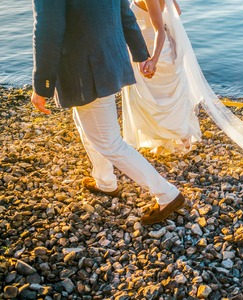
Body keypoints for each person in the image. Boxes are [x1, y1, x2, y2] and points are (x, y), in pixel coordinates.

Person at [30, 0, 184, 225]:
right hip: (109, 59)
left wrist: (42, 85)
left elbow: (47, 31)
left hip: (85, 69)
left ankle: (167, 194)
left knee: (109, 141)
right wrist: (140, 54)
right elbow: (125, 14)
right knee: (87, 125)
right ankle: (104, 181)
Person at [122, 0, 243, 181]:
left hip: (153, 52)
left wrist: (153, 60)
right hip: (163, 50)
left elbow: (159, 32)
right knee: (164, 97)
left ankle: (175, 137)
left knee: (158, 99)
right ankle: (174, 139)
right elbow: (177, 12)